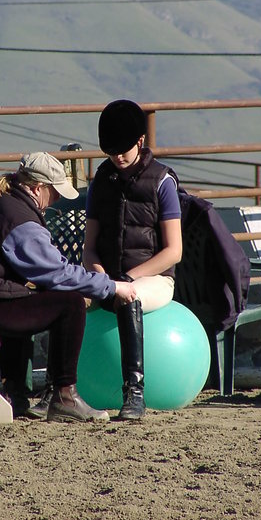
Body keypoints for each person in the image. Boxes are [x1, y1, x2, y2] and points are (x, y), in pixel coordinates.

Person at [0, 151, 137, 423]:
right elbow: (57, 273)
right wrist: (112, 287)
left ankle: (16, 394)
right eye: (54, 193)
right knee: (69, 303)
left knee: (20, 295)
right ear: (37, 188)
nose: (56, 200)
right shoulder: (19, 219)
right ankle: (65, 396)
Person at [83, 99, 183, 420]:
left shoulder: (162, 181)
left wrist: (127, 280)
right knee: (66, 299)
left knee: (130, 297)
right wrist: (102, 279)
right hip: (107, 278)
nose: (117, 157)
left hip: (153, 280)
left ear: (140, 141)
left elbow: (173, 251)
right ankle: (58, 389)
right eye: (110, 151)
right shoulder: (101, 182)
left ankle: (134, 391)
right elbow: (89, 249)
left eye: (123, 150)